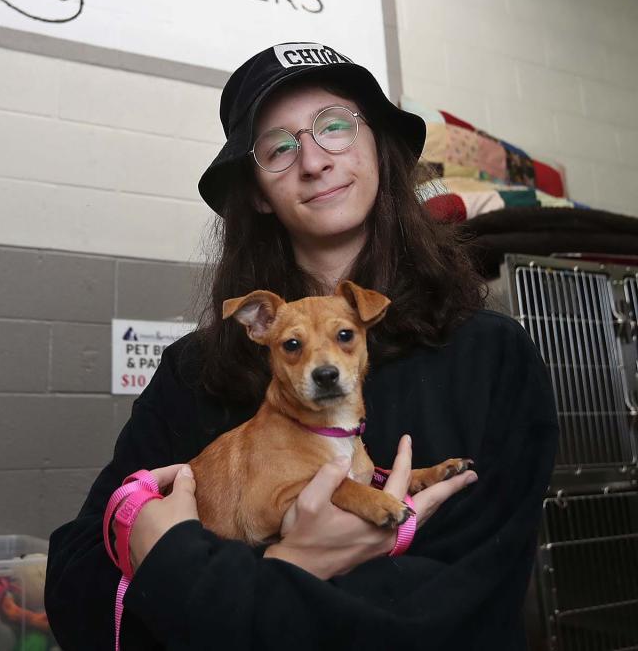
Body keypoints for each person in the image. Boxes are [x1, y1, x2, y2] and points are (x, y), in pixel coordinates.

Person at [45, 42, 558, 650]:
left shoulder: (491, 355)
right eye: (279, 147)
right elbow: (76, 585)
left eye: (335, 126)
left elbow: (455, 611)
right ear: (258, 190)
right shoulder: (193, 371)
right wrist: (290, 564)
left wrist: (189, 570)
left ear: (378, 149)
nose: (313, 160)